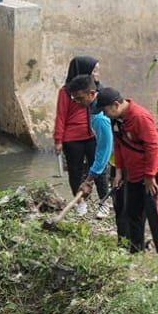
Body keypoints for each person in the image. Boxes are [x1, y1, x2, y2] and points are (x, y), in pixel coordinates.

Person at [98, 87, 158, 260]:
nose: (104, 114)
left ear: (116, 105)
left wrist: (149, 175)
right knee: (133, 212)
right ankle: (136, 252)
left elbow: (152, 147)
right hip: (133, 173)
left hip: (153, 172)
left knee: (154, 210)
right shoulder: (116, 120)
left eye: (105, 110)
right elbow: (119, 145)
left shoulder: (140, 116)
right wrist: (118, 172)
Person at [55, 57, 102, 214]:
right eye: (94, 70)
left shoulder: (96, 89)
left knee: (99, 169)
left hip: (92, 135)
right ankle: (80, 203)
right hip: (72, 138)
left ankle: (104, 202)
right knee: (75, 171)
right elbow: (61, 116)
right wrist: (58, 140)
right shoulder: (66, 92)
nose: (97, 73)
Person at [67, 75, 114, 220]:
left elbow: (104, 151)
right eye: (74, 99)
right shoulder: (94, 105)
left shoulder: (100, 117)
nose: (77, 102)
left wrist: (89, 179)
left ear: (92, 94)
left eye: (80, 98)